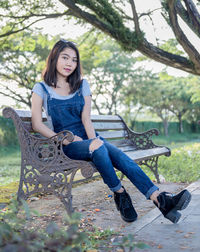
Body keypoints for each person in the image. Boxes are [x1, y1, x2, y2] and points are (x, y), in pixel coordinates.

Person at [31, 39, 191, 223]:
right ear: (54, 58)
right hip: (66, 146)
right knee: (99, 148)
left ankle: (160, 200)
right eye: (65, 57)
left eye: (74, 60)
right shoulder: (41, 88)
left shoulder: (82, 85)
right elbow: (37, 124)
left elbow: (86, 119)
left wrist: (93, 144)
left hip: (89, 139)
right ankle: (120, 193)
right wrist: (65, 140)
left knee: (123, 159)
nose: (69, 63)